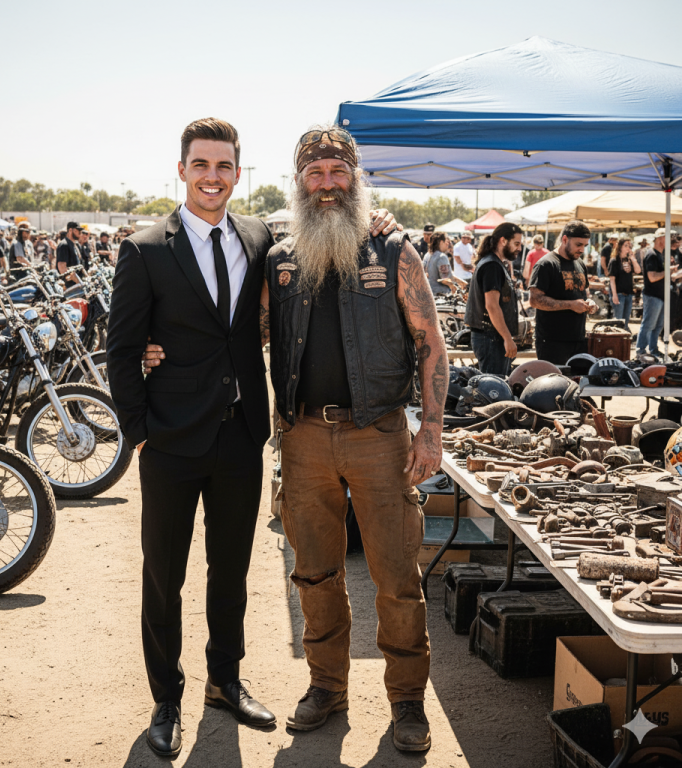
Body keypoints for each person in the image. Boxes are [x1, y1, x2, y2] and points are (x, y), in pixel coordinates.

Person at [109, 116, 399, 758]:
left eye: (224, 166)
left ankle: (224, 681)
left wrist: (381, 220)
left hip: (241, 437)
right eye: (201, 165)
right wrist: (139, 434)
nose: (212, 177)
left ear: (238, 173)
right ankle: (166, 698)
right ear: (182, 170)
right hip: (170, 442)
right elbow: (122, 350)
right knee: (164, 576)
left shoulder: (260, 238)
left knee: (231, 572)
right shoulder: (145, 249)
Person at [261, 125, 443, 752]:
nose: (327, 184)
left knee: (396, 576)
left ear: (356, 178)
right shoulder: (280, 260)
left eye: (338, 171)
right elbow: (243, 333)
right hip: (303, 437)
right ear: (299, 182)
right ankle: (326, 687)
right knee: (315, 573)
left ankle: (407, 701)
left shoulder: (394, 251)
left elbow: (430, 341)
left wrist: (430, 433)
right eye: (315, 173)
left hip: (379, 435)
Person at [528, 220, 598, 364]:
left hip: (579, 339)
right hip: (552, 341)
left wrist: (590, 303)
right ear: (565, 239)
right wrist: (570, 305)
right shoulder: (546, 264)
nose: (581, 250)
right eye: (578, 245)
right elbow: (535, 300)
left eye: (585, 246)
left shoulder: (580, 263)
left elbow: (582, 294)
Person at [464, 222, 522, 375]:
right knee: (494, 386)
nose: (519, 248)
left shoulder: (495, 263)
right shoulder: (492, 266)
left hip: (491, 337)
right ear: (503, 241)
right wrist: (507, 338)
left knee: (496, 383)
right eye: (516, 243)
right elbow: (492, 306)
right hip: (490, 338)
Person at [637, 228, 682, 357]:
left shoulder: (659, 254)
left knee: (658, 326)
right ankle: (641, 350)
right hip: (653, 295)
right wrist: (668, 271)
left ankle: (653, 349)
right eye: (667, 238)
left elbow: (659, 274)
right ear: (660, 239)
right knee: (649, 324)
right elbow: (652, 277)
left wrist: (669, 269)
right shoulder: (652, 254)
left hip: (660, 295)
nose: (670, 241)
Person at [607, 237, 640, 331]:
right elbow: (612, 279)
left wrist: (633, 259)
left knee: (625, 321)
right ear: (620, 247)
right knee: (618, 320)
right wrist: (614, 295)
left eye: (629, 246)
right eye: (626, 245)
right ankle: (617, 337)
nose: (628, 248)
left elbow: (638, 271)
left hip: (628, 293)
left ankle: (623, 337)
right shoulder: (615, 261)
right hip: (619, 293)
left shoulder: (629, 260)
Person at [424, 232, 465, 296]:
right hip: (441, 295)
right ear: (441, 242)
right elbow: (445, 278)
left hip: (427, 293)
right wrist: (453, 285)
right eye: (446, 241)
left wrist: (462, 282)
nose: (448, 243)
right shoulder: (442, 256)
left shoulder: (427, 255)